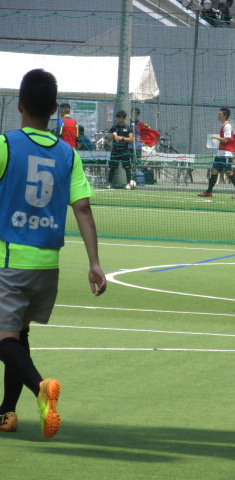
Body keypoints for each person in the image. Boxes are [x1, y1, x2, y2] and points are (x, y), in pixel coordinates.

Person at [0, 69, 107, 437]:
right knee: (18, 335)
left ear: (19, 105)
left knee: (4, 339)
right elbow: (83, 210)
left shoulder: (6, 144)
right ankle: (6, 412)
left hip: (9, 261)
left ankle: (41, 388)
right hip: (47, 266)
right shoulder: (68, 154)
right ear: (53, 110)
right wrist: (94, 263)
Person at [198, 108, 235, 198]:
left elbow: (226, 140)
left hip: (226, 153)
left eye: (220, 114)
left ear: (225, 116)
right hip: (220, 153)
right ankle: (209, 192)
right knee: (214, 171)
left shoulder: (227, 126)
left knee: (229, 173)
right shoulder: (223, 125)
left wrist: (216, 137)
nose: (218, 116)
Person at [106, 110, 134, 189]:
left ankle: (128, 183)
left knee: (127, 167)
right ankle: (109, 184)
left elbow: (131, 139)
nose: (120, 119)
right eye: (119, 117)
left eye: (122, 117)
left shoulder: (128, 128)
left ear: (124, 118)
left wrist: (122, 138)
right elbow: (109, 139)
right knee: (112, 167)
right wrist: (113, 135)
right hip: (115, 150)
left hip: (124, 150)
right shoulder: (114, 127)